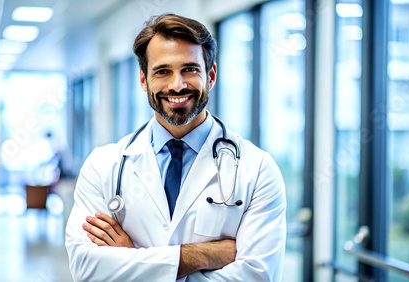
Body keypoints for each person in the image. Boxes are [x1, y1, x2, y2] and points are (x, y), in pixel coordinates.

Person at [66, 14, 286, 281]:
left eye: (190, 69)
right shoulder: (103, 165)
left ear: (211, 76)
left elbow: (257, 276)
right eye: (162, 71)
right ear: (144, 80)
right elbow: (87, 270)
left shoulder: (258, 169)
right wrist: (203, 256)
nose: (177, 85)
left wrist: (132, 258)